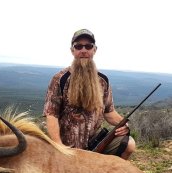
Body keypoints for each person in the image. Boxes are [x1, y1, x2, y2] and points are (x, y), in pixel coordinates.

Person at [43, 29, 135, 160]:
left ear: (94, 50)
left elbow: (109, 112)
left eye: (88, 46)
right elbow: (51, 114)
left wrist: (124, 125)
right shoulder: (60, 79)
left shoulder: (103, 81)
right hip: (67, 146)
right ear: (72, 50)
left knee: (129, 144)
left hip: (95, 142)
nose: (84, 50)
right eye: (78, 46)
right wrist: (58, 145)